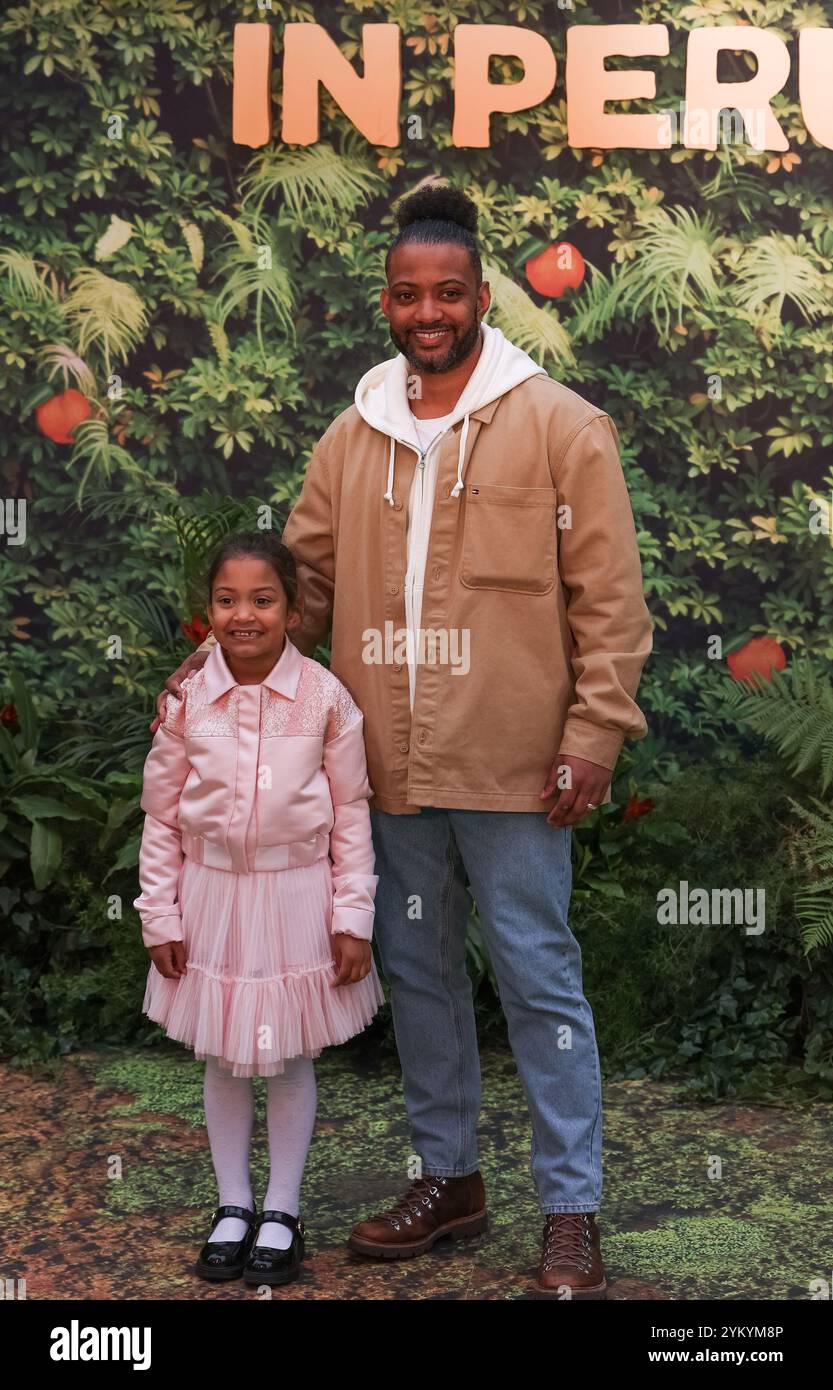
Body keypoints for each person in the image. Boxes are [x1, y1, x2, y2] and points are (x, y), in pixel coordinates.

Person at [153, 182, 653, 1299]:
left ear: (483, 295)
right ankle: (450, 1178)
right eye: (405, 295)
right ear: (384, 302)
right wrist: (205, 683)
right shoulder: (354, 434)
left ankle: (569, 1206)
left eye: (447, 293)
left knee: (537, 980)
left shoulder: (563, 427)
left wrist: (595, 734)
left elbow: (610, 605)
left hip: (519, 764)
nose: (426, 312)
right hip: (388, 768)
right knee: (419, 979)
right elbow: (300, 592)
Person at [134, 529, 384, 1287]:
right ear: (206, 608)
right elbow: (161, 816)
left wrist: (354, 915)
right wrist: (160, 915)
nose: (244, 616)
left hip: (296, 894)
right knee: (224, 1054)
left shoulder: (325, 699)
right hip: (211, 896)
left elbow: (350, 812)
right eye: (226, 600)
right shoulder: (186, 700)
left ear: (293, 608)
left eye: (263, 600)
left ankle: (282, 1208)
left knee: (287, 1057)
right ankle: (232, 1204)